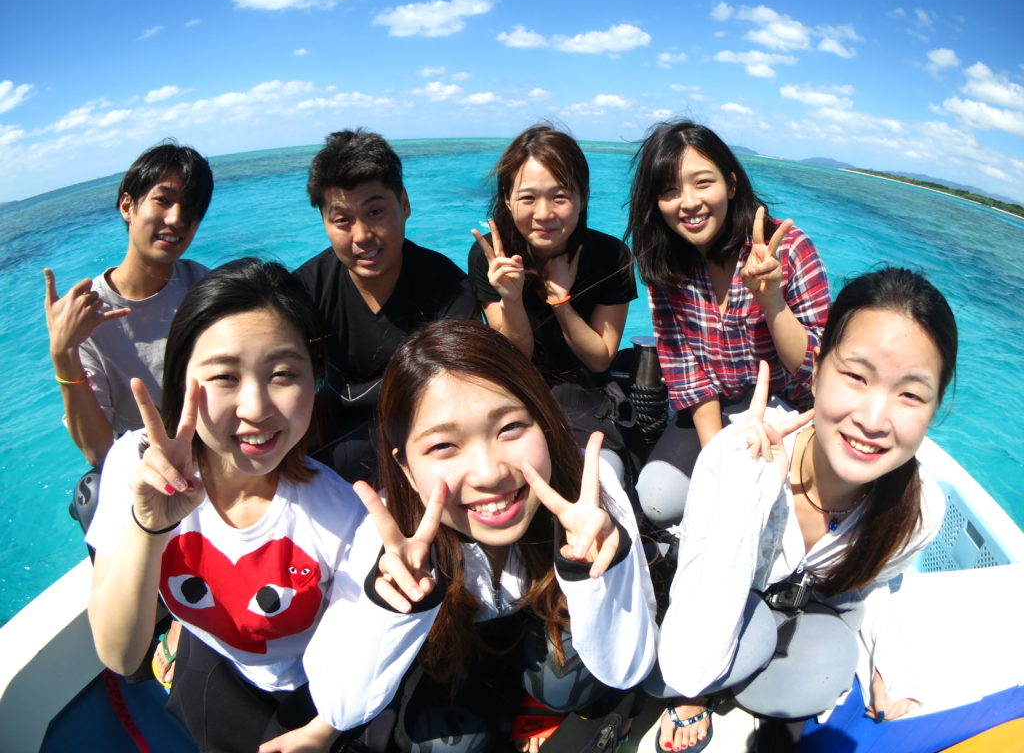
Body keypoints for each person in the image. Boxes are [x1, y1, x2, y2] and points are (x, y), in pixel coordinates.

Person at [305, 320, 657, 751]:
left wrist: (596, 572)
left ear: (545, 422)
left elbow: (628, 667)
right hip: (458, 661)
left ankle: (540, 708)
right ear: (405, 468)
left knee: (569, 681)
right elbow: (342, 709)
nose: (489, 473)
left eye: (509, 428)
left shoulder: (588, 493)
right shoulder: (386, 537)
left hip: (544, 632)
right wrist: (396, 603)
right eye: (443, 446)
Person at [646, 267, 954, 752]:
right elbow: (688, 661)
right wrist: (748, 494)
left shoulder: (919, 510)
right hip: (715, 600)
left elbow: (871, 583)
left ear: (934, 410)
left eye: (910, 395)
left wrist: (887, 663)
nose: (874, 420)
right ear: (815, 371)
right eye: (856, 376)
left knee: (821, 670)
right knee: (685, 670)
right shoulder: (736, 454)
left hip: (803, 608)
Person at [86, 259, 381, 753]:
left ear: (315, 379)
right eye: (225, 376)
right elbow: (119, 656)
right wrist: (148, 527)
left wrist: (323, 731)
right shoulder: (138, 466)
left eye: (283, 373)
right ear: (181, 379)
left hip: (312, 687)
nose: (256, 407)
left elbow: (359, 654)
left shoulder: (344, 517)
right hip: (212, 664)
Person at [625, 120, 830, 527]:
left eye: (703, 183)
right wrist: (718, 460)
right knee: (657, 498)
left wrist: (771, 298)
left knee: (782, 509)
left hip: (792, 409)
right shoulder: (666, 263)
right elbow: (686, 370)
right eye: (669, 191)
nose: (688, 203)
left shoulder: (787, 248)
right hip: (718, 407)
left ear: (731, 185)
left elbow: (814, 369)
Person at [295, 129, 479, 485]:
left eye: (375, 211)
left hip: (419, 445)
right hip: (326, 454)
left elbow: (459, 395)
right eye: (342, 220)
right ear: (324, 222)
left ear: (404, 204)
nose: (362, 236)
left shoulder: (449, 290)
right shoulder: (304, 292)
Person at [468, 125, 637, 474]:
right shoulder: (490, 258)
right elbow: (516, 358)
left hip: (586, 392)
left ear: (582, 197)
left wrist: (560, 300)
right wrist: (511, 298)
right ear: (507, 199)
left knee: (595, 471)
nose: (543, 213)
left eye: (559, 197)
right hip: (519, 388)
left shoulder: (611, 255)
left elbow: (600, 359)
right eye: (528, 198)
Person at [44, 140, 213, 468]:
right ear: (127, 206)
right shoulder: (86, 316)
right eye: (163, 200)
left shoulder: (204, 286)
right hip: (150, 468)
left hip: (217, 453)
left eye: (191, 208)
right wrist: (63, 353)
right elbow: (98, 453)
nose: (177, 218)